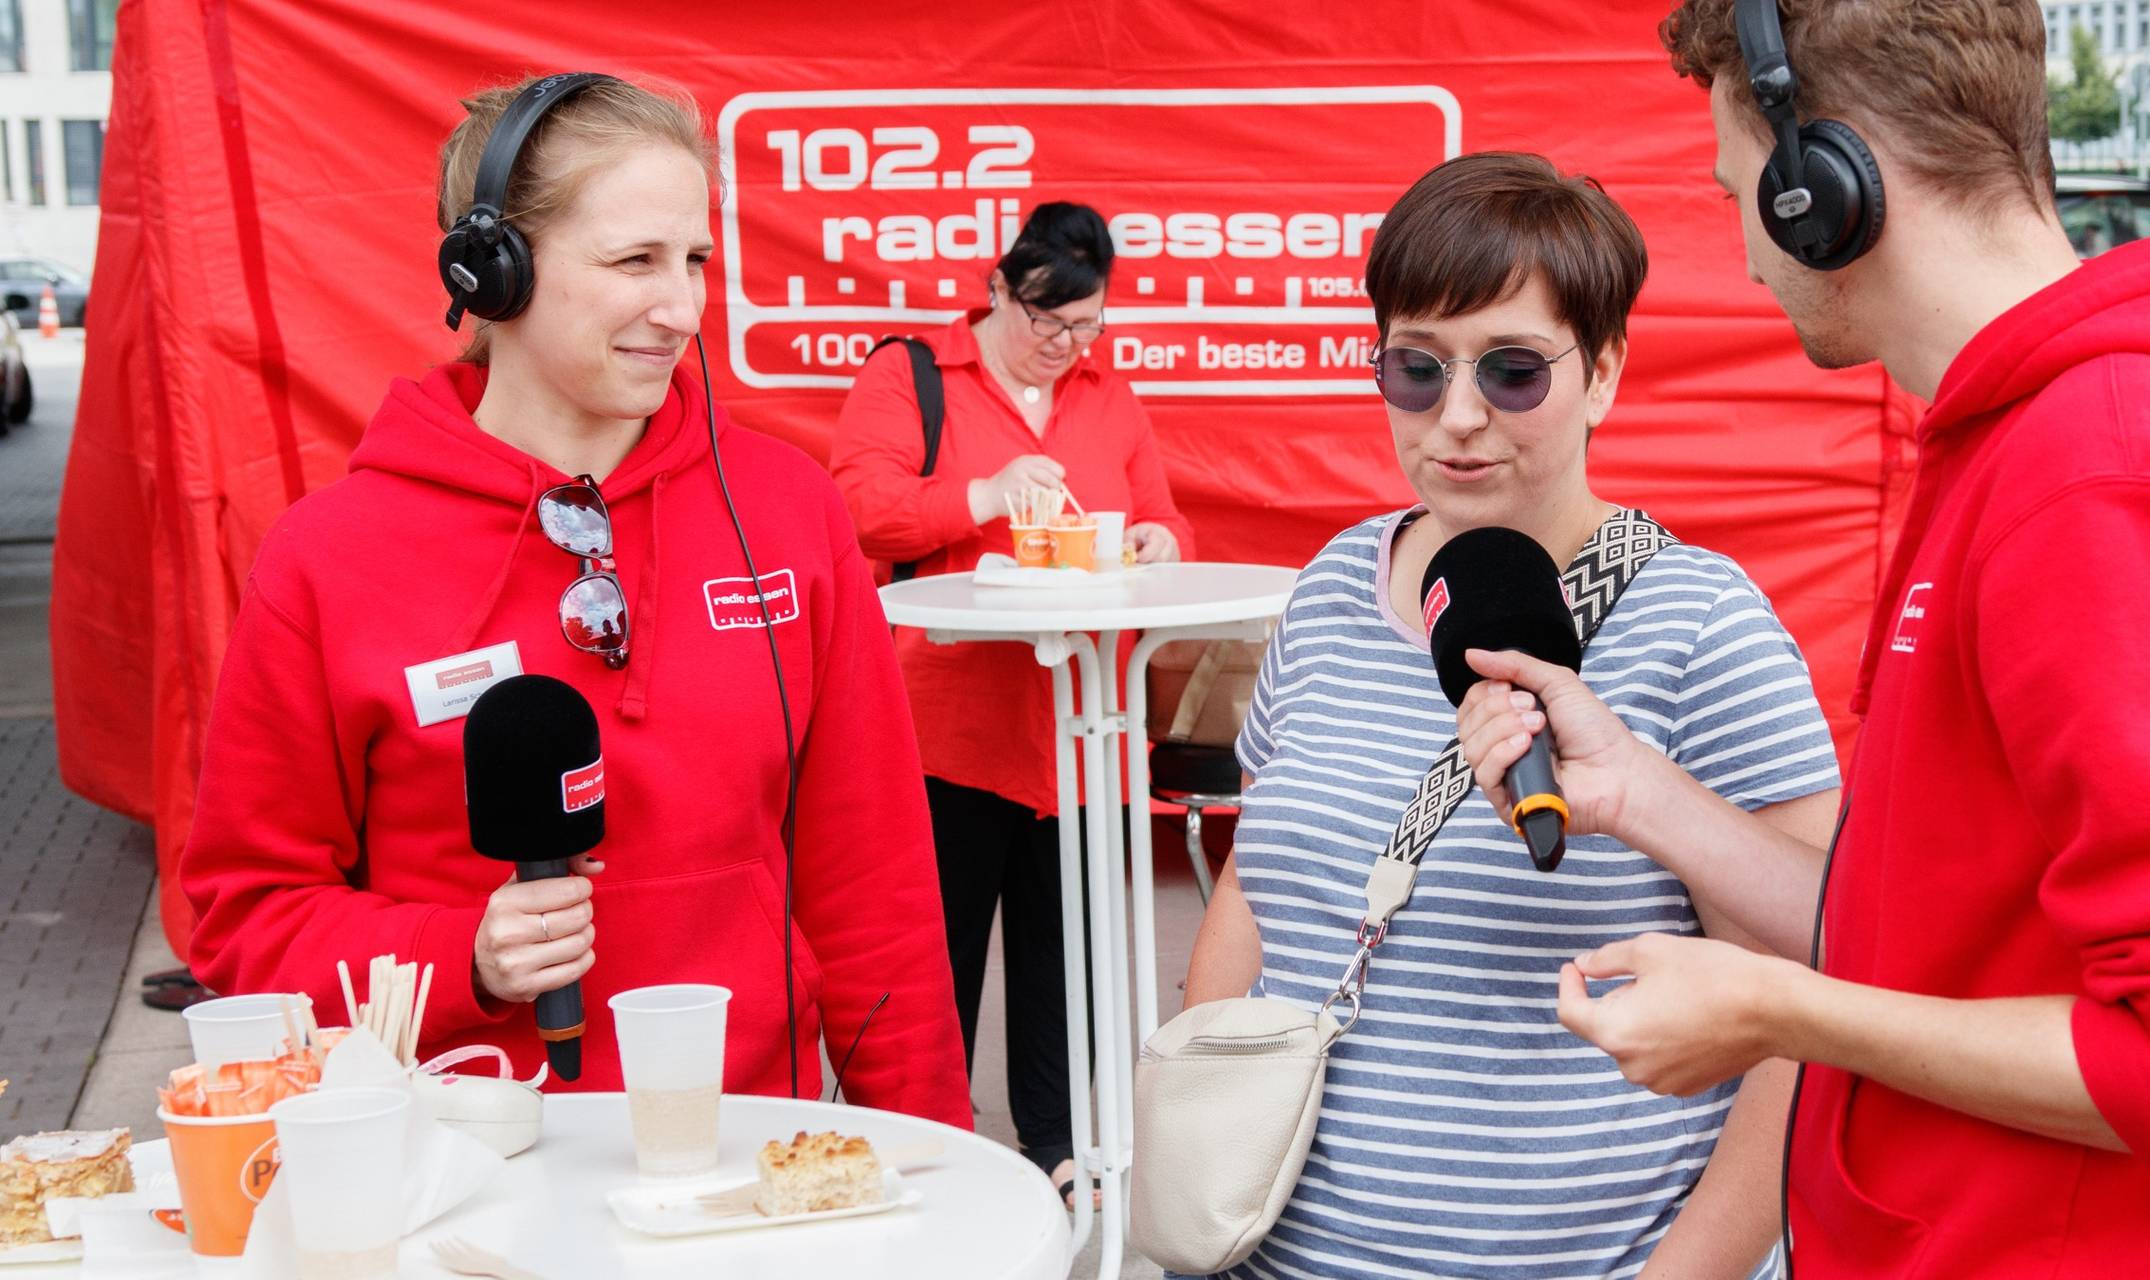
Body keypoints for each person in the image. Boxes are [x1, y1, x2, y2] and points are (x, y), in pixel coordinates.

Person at [1453, 3, 2150, 1274]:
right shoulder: (2041, 438)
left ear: (1818, 187)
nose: (1744, 256)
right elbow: (1926, 939)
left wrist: (1778, 1009)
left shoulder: (2101, 475)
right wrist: (1642, 792)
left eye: (1741, 196)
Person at [180, 74, 968, 1125]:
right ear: (494, 271)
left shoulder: (788, 513)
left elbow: (877, 888)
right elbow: (247, 922)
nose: (682, 307)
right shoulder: (326, 558)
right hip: (460, 1165)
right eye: (633, 261)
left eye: (694, 260)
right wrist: (457, 953)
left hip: (743, 1156)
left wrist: (928, 1154)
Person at [1176, 151, 1843, 1280]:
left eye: (1516, 371)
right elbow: (1260, 877)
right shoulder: (1339, 578)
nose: (1461, 419)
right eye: (1418, 369)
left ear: (1606, 374)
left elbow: (1809, 995)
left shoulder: (1702, 622)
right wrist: (1200, 1143)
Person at [829, 201, 1192, 1198]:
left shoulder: (1107, 394)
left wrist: (1162, 541)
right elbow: (858, 503)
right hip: (950, 727)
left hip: (1085, 732)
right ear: (998, 288)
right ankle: (924, 1156)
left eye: (1085, 327)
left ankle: (1056, 1150)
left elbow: (1161, 516)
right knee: (932, 958)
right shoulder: (913, 374)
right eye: (1047, 323)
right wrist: (984, 494)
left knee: (1063, 962)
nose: (1063, 348)